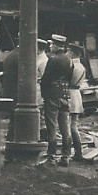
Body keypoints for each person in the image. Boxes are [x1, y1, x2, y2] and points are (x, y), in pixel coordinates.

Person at [39, 34, 74, 166]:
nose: (50, 46)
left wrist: (44, 94)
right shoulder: (69, 60)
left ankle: (51, 157)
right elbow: (70, 78)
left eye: (52, 44)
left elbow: (45, 79)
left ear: (55, 45)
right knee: (65, 128)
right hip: (65, 95)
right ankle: (66, 157)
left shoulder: (52, 60)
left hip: (52, 95)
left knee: (52, 127)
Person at [68, 45, 89, 162]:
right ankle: (78, 152)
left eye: (69, 51)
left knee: (69, 127)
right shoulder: (81, 66)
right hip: (77, 95)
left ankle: (74, 152)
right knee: (73, 125)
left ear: (72, 53)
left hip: (69, 95)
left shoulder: (71, 66)